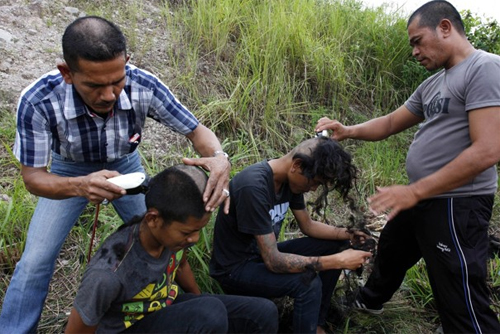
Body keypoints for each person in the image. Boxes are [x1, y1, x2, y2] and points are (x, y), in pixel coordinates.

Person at [0, 16, 231, 333]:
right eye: (94, 85)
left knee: (163, 231)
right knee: (35, 261)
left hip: (126, 164)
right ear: (67, 73)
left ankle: (166, 307)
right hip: (69, 170)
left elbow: (196, 130)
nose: (109, 95)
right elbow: (34, 178)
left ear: (127, 63)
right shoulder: (38, 101)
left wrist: (218, 158)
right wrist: (80, 186)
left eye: (117, 81)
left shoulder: (143, 85)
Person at [315, 1, 500, 333]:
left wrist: (414, 190)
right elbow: (388, 123)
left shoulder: (484, 68)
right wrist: (349, 130)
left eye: (417, 40)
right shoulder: (433, 84)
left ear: (445, 27)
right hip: (422, 198)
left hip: (457, 203)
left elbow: (488, 150)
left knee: (459, 294)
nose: (414, 51)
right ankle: (369, 301)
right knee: (392, 249)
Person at [64, 164, 278, 334]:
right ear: (153, 219)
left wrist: (200, 298)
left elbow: (181, 264)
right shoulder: (109, 274)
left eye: (198, 231)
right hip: (126, 328)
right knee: (209, 315)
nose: (193, 239)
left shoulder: (172, 239)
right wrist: (207, 311)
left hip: (161, 309)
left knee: (262, 313)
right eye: (187, 233)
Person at [209, 136, 373, 334]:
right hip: (235, 270)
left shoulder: (289, 180)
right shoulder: (254, 186)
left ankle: (316, 324)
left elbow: (308, 225)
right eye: (314, 182)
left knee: (333, 244)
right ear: (297, 164)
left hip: (260, 256)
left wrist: (347, 235)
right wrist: (337, 261)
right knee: (308, 283)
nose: (313, 189)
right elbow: (274, 261)